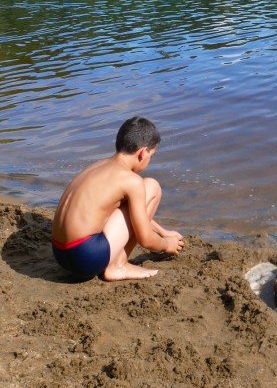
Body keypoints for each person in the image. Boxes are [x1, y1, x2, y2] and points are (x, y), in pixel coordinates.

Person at [51, 116, 184, 282]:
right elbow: (145, 239)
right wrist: (166, 245)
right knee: (152, 187)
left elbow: (133, 214)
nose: (149, 161)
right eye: (152, 155)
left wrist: (163, 232)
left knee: (136, 196)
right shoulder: (131, 180)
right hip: (85, 257)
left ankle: (113, 262)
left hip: (61, 253)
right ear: (142, 153)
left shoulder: (99, 166)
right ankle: (118, 265)